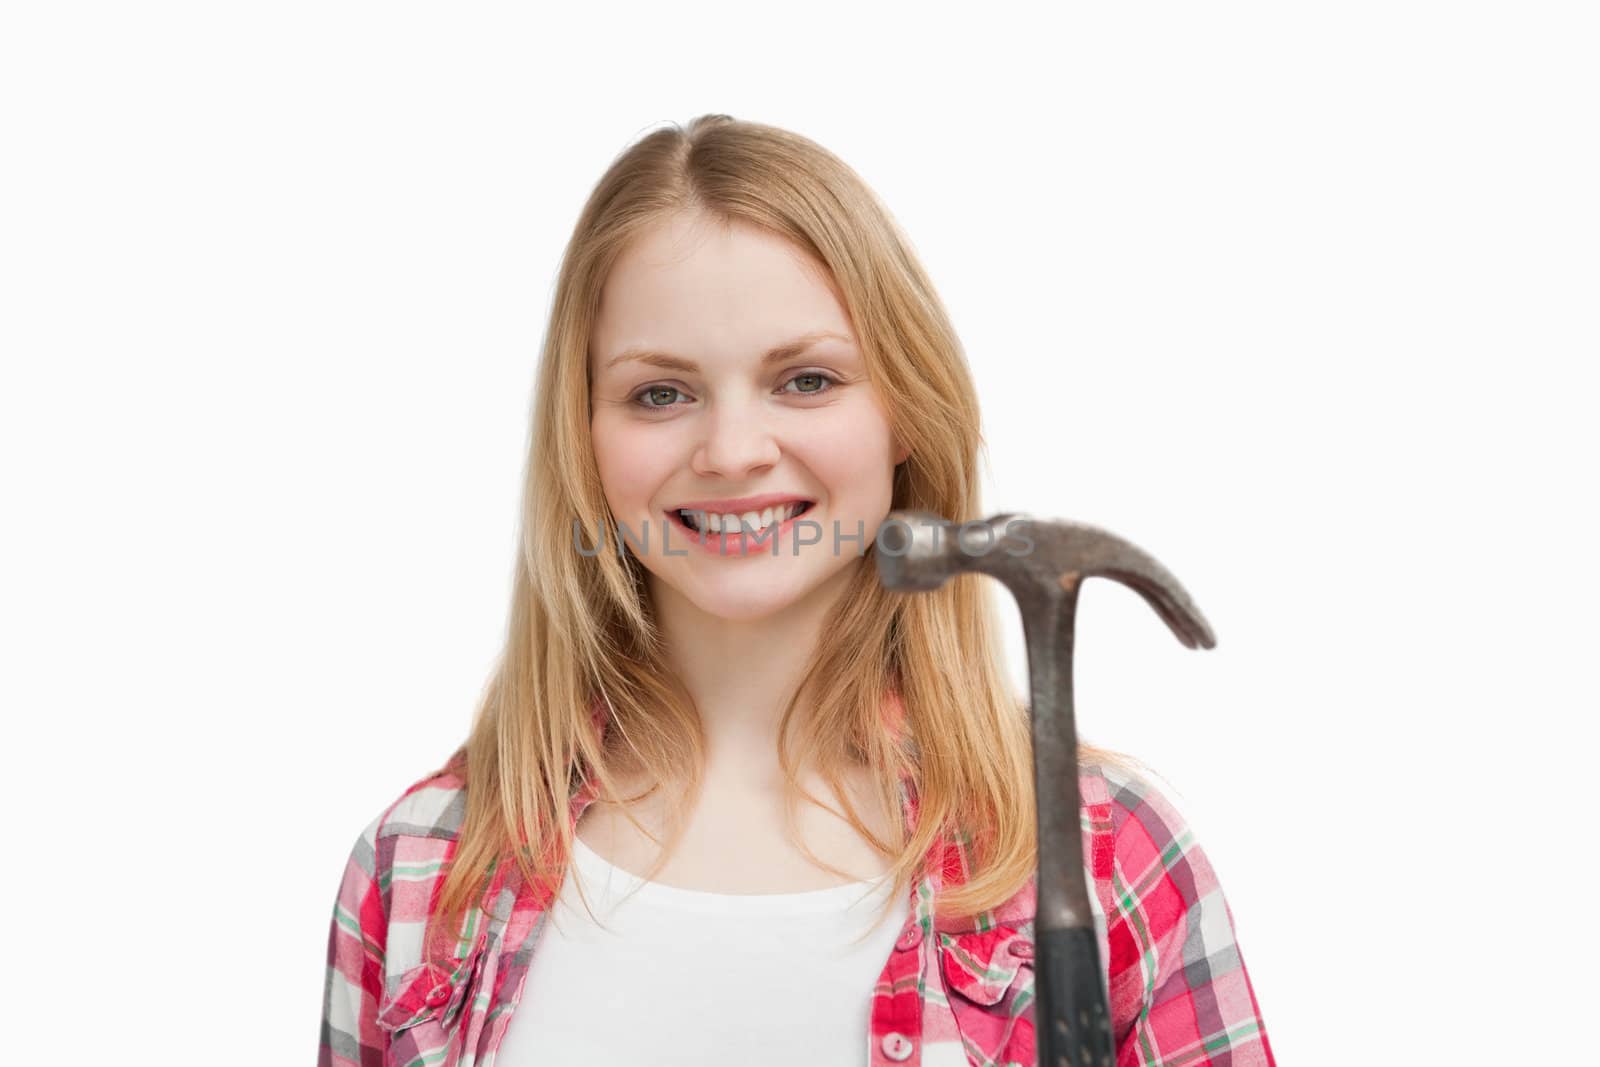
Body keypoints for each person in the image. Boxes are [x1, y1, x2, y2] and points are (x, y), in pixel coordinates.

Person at [318, 113, 1275, 1067]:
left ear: (906, 412)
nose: (733, 452)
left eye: (807, 380)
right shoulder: (417, 872)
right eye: (661, 392)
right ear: (584, 436)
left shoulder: (1110, 854)